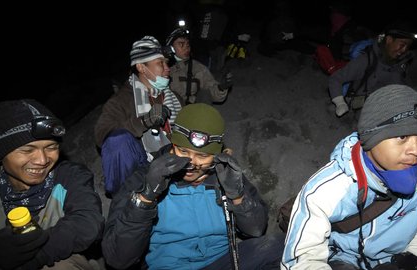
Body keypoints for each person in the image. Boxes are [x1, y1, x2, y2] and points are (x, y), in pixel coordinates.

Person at [282, 84, 417, 269]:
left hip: (397, 259)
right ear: (372, 135)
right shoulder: (328, 190)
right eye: (402, 137)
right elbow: (303, 259)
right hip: (344, 259)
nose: (416, 150)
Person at [102, 103, 284, 270]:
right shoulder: (145, 178)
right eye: (182, 151)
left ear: (216, 155)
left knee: (279, 247)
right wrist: (145, 199)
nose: (191, 163)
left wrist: (236, 196)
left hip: (222, 261)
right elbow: (118, 258)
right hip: (170, 266)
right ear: (172, 145)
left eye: (202, 156)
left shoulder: (225, 174)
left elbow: (256, 230)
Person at [0, 99, 104, 270]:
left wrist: (27, 259)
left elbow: (87, 224)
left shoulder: (70, 176)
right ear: (0, 154)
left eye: (51, 147)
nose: (42, 160)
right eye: (27, 150)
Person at [94, 35, 183, 196]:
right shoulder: (122, 100)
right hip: (143, 164)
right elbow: (102, 134)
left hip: (173, 157)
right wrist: (143, 122)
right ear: (142, 68)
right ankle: (125, 200)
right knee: (117, 141)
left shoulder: (173, 96)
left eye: (166, 62)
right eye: (160, 63)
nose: (167, 68)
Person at [329, 20, 417, 118]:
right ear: (389, 40)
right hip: (363, 110)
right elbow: (336, 78)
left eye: (408, 47)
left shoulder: (399, 65)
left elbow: (401, 88)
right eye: (402, 44)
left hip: (387, 107)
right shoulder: (367, 60)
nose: (404, 50)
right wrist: (339, 102)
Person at [166, 25, 232, 105]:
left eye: (187, 44)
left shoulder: (197, 68)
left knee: (204, 95)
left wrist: (221, 88)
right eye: (181, 44)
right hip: (172, 113)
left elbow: (213, 93)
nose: (186, 48)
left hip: (192, 111)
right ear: (170, 47)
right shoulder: (162, 68)